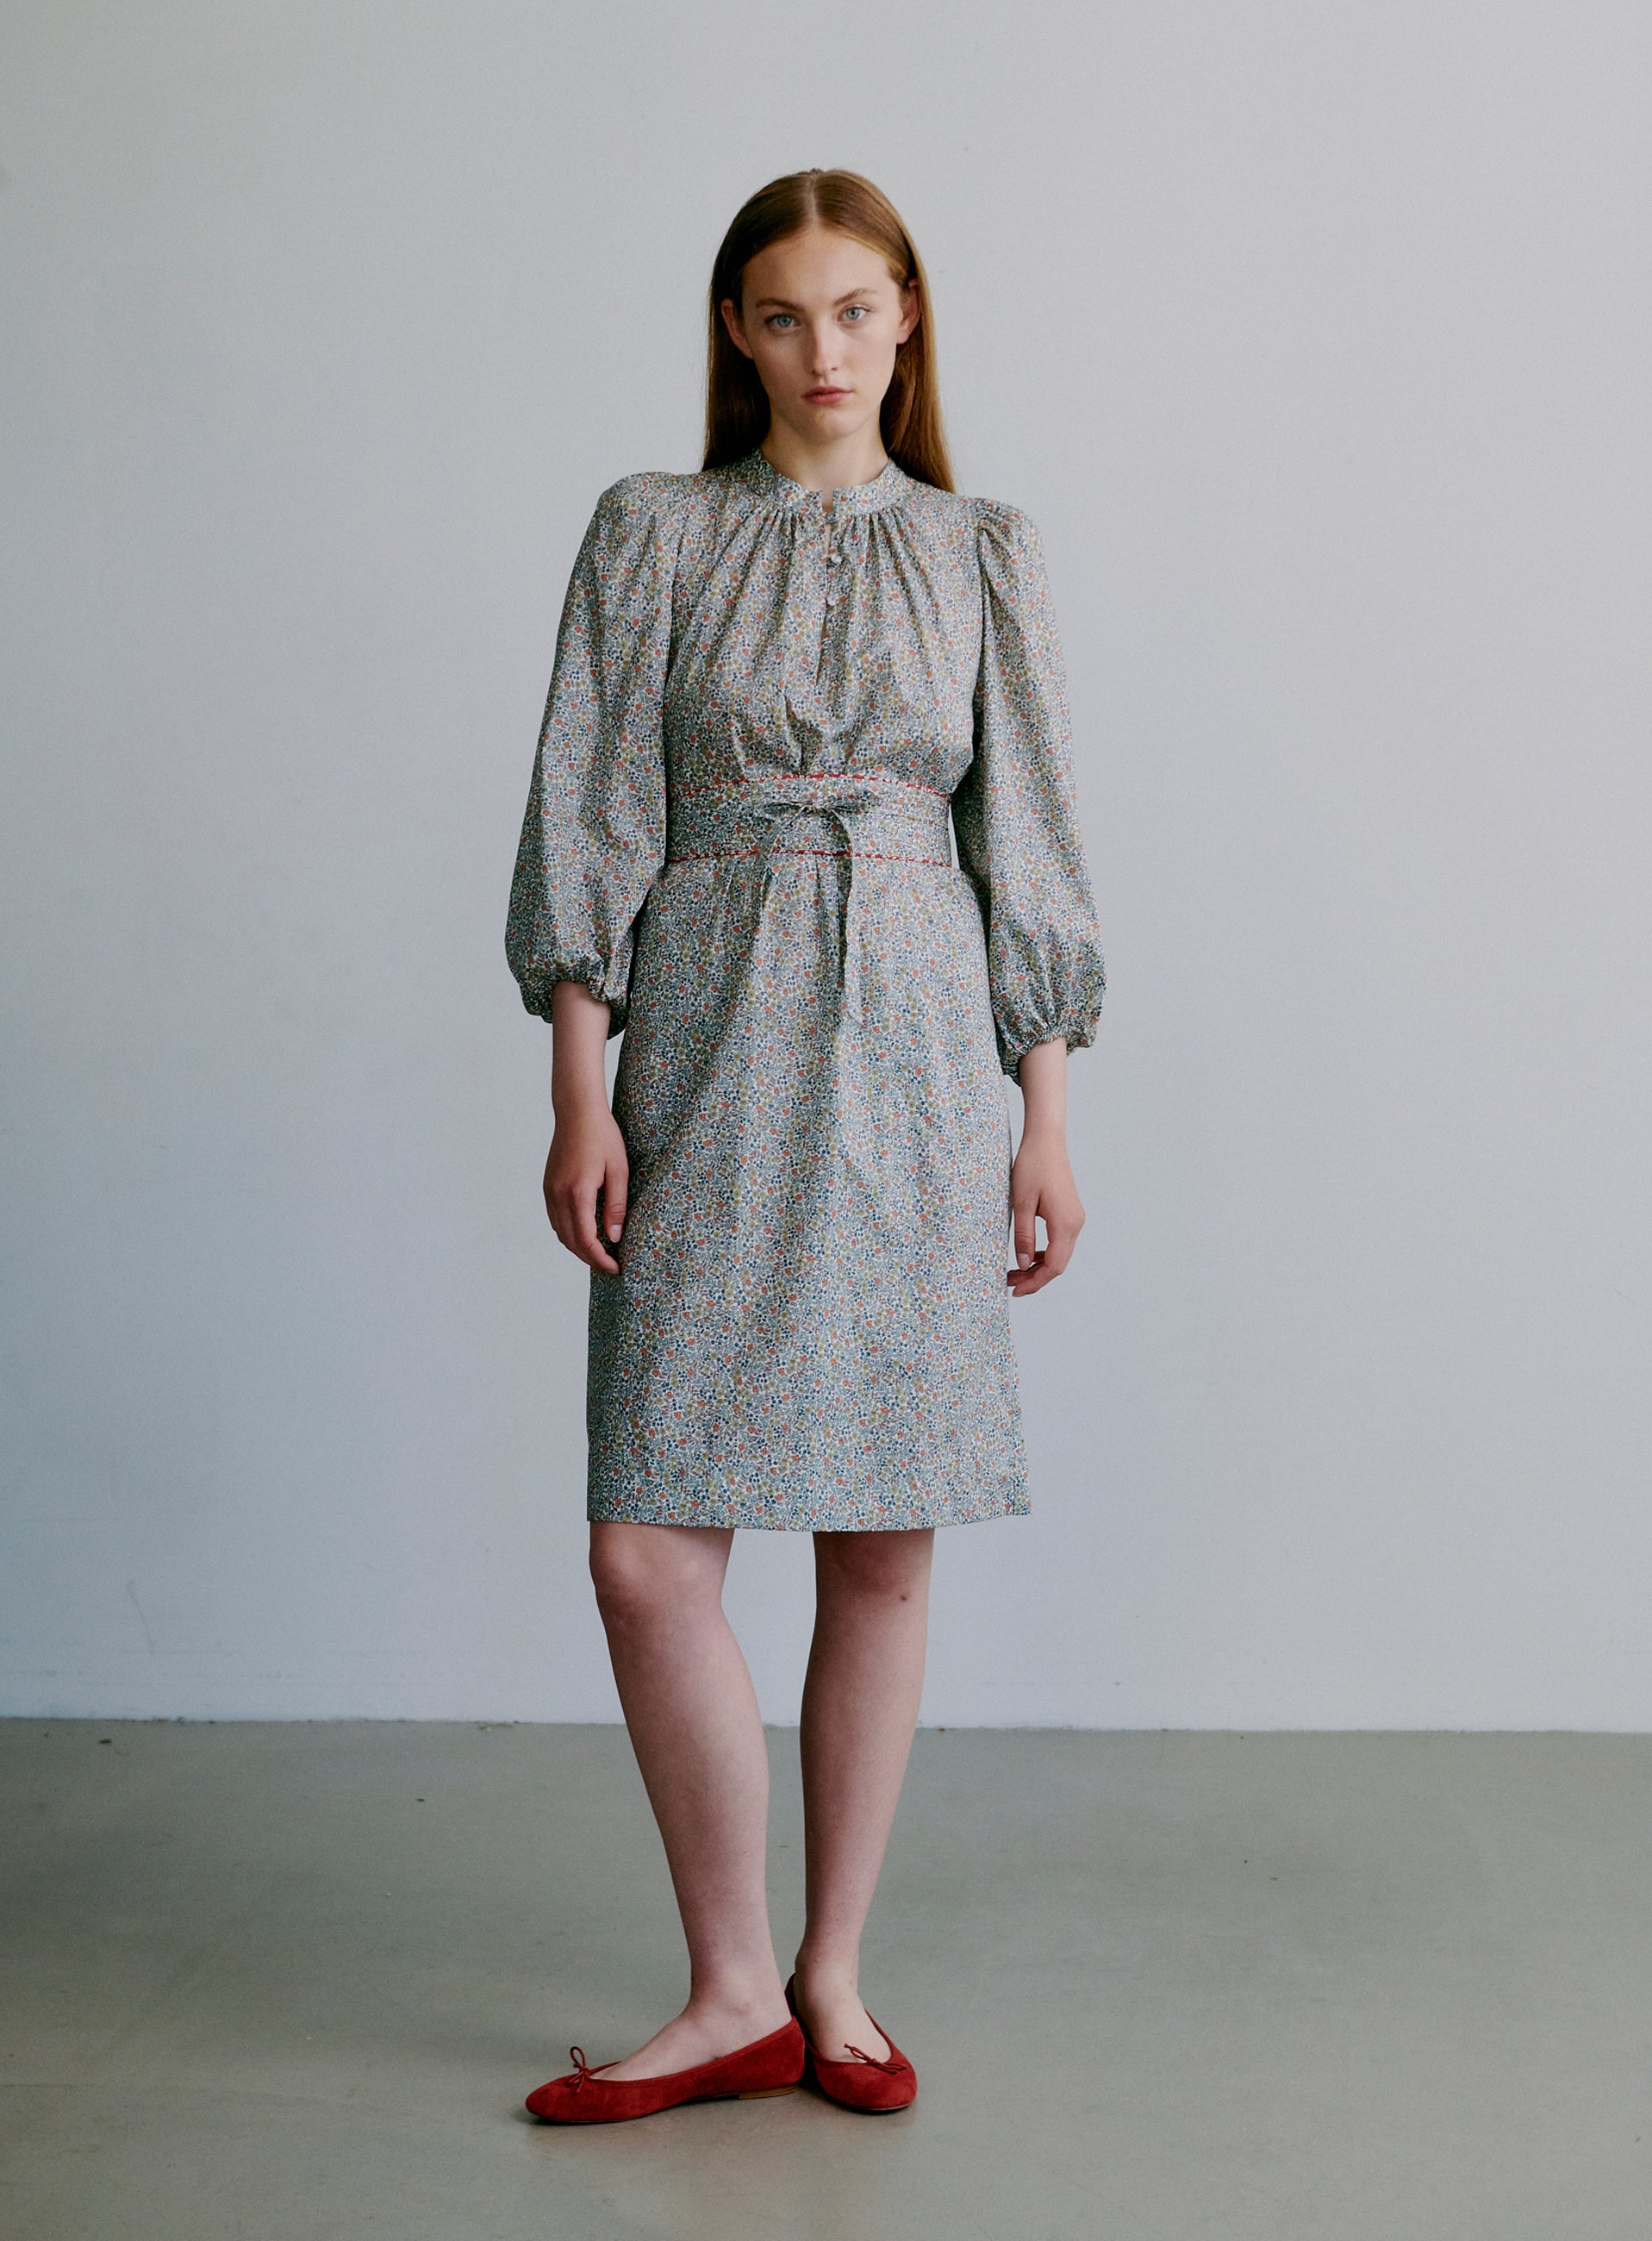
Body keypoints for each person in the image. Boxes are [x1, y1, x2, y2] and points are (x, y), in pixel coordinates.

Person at [507, 169, 1104, 2124]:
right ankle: (725, 1984)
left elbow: (1030, 842)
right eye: (784, 315)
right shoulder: (654, 533)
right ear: (736, 335)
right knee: (645, 1546)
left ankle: (829, 1980)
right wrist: (580, 1084)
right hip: (711, 1021)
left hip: (924, 1038)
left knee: (879, 1529)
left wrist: (1045, 1113)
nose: (824, 350)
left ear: (909, 321)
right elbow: (592, 800)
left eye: (858, 310)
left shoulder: (984, 551)